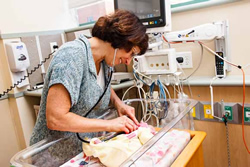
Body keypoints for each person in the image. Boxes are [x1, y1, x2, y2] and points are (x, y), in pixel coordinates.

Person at [29, 9, 148, 164]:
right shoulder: (71, 57)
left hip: (81, 151)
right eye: (131, 53)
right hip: (54, 156)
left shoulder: (105, 60)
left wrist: (119, 103)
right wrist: (110, 124)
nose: (128, 61)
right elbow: (55, 119)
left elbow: (97, 85)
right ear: (121, 40)